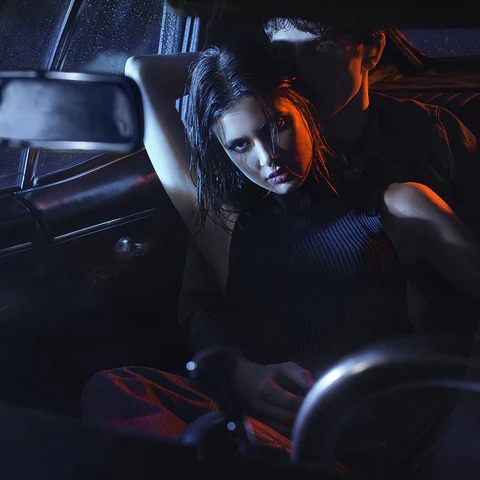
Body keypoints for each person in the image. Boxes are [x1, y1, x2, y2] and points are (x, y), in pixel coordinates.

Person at [80, 40, 480, 474]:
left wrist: (280, 56)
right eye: (240, 145)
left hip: (403, 440)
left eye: (278, 124)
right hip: (286, 441)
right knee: (116, 389)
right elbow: (142, 73)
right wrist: (243, 373)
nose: (267, 156)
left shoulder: (397, 205)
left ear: (304, 110)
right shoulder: (221, 225)